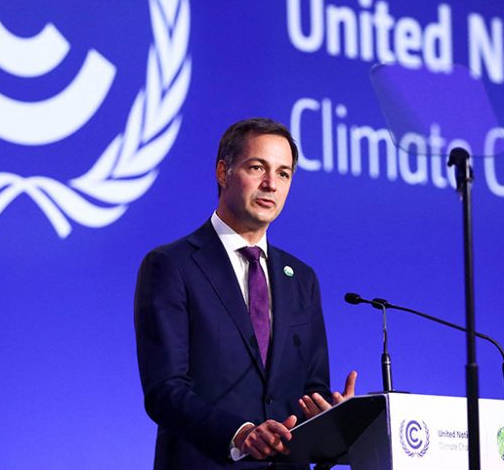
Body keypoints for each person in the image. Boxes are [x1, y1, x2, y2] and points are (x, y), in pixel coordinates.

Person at [134, 117, 356, 469]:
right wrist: (239, 433)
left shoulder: (301, 278)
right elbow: (165, 389)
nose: (271, 184)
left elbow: (311, 387)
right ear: (223, 172)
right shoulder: (171, 265)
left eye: (283, 174)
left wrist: (332, 414)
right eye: (258, 168)